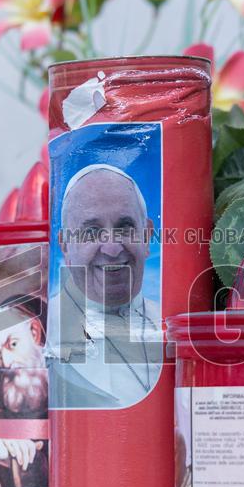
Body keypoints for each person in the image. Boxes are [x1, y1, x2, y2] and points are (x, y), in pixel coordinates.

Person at [47, 164, 163, 409]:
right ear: (65, 246)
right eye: (91, 232)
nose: (112, 248)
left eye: (125, 228)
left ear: (147, 236)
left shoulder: (169, 322)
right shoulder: (42, 331)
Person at [0, 295, 49, 487]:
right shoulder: (1, 423)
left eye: (13, 344)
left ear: (35, 333)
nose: (6, 363)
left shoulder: (74, 409)